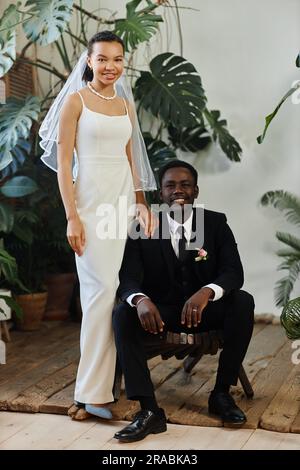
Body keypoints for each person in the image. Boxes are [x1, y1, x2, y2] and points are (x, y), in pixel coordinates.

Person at [39, 31, 157, 419]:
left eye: (118, 59)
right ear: (89, 61)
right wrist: (72, 216)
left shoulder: (125, 104)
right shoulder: (76, 102)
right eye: (103, 59)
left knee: (115, 292)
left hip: (123, 203)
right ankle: (92, 392)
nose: (111, 67)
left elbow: (131, 158)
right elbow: (64, 166)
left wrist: (141, 203)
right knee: (99, 293)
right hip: (90, 205)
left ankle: (95, 390)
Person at [112, 160, 255, 442]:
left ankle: (221, 394)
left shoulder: (215, 223)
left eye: (185, 184)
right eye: (170, 185)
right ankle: (149, 410)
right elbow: (127, 277)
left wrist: (207, 292)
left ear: (196, 190)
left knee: (242, 302)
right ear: (161, 194)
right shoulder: (143, 225)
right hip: (162, 313)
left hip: (205, 311)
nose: (178, 190)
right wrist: (140, 300)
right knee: (122, 314)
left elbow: (233, 272)